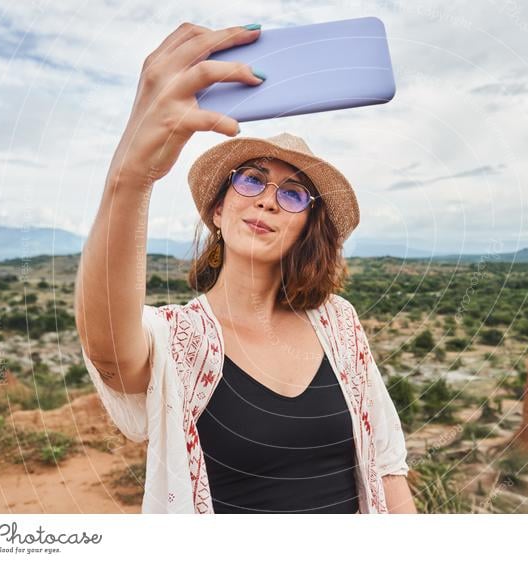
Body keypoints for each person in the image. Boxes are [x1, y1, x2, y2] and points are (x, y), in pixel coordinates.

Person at [74, 22, 415, 514]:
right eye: (252, 181)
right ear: (218, 210)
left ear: (306, 227)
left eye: (293, 193)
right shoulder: (178, 340)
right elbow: (107, 346)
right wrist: (132, 177)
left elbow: (386, 466)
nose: (269, 202)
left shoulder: (339, 324)